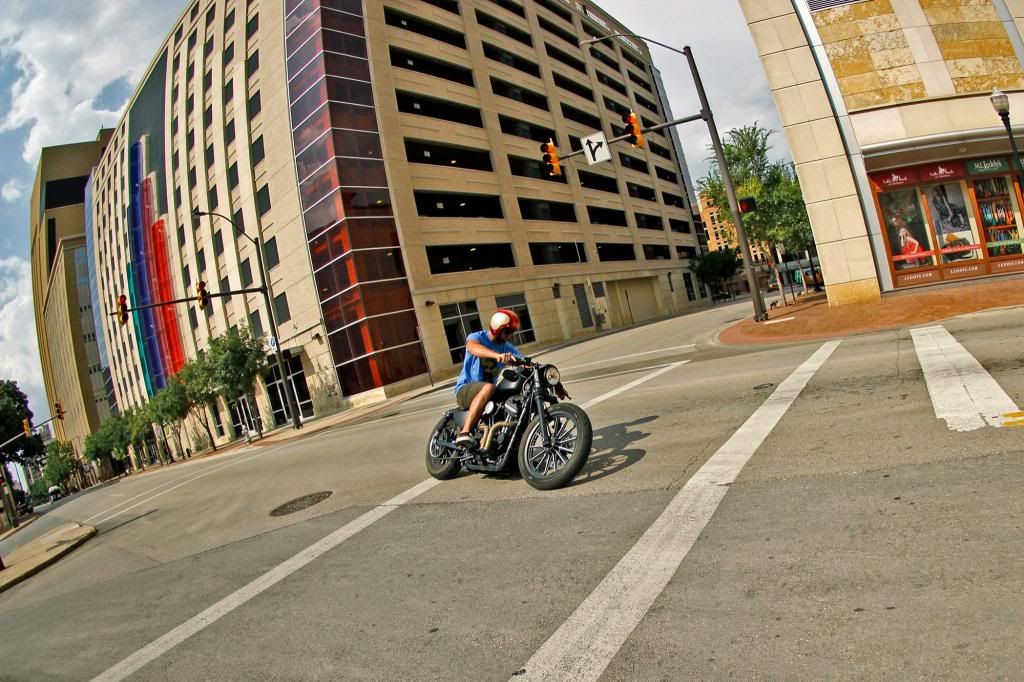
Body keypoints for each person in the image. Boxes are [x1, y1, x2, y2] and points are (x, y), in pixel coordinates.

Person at [453, 309, 525, 448]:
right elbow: (473, 347)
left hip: (487, 394)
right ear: (497, 329)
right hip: (465, 390)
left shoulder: (506, 347)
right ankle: (465, 431)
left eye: (512, 332)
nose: (509, 336)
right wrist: (496, 355)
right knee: (489, 386)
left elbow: (524, 362)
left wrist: (550, 377)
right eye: (507, 332)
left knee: (513, 400)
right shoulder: (477, 337)